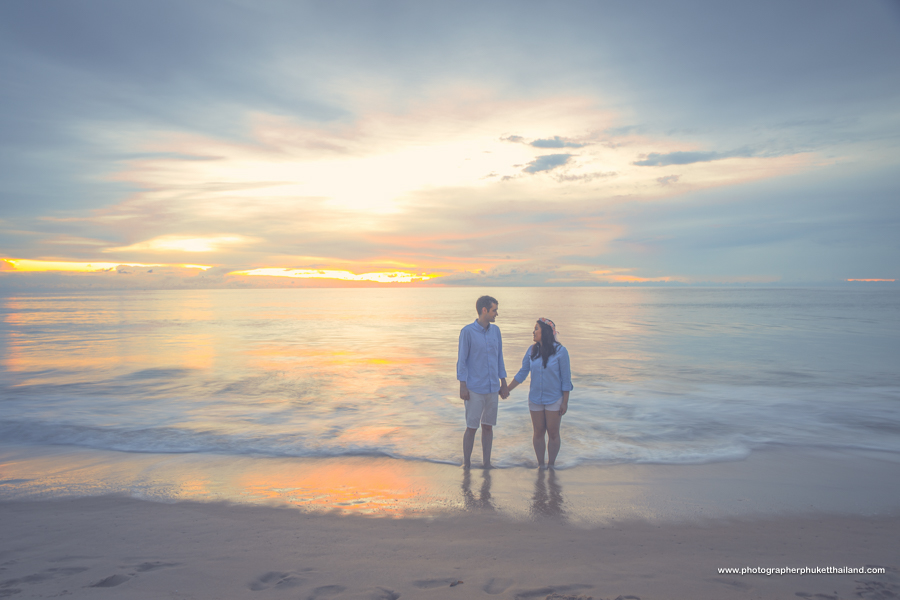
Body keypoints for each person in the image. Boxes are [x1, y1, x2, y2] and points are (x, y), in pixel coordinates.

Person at [507, 318, 573, 469]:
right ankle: (541, 465)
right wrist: (507, 389)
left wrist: (565, 402)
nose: (533, 331)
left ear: (546, 332)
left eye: (536, 328)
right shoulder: (532, 350)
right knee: (538, 432)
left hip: (554, 398)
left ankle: (551, 465)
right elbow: (522, 373)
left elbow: (566, 379)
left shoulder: (561, 351)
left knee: (553, 433)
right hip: (535, 398)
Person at [457, 295, 509, 469]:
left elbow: (499, 357)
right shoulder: (467, 332)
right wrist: (462, 385)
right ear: (484, 310)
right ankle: (467, 464)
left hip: (493, 388)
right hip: (474, 389)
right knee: (472, 427)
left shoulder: (496, 331)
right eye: (494, 310)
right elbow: (462, 361)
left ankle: (487, 464)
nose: (497, 314)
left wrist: (503, 382)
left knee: (488, 427)